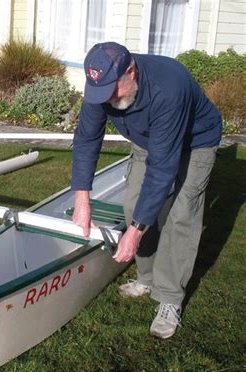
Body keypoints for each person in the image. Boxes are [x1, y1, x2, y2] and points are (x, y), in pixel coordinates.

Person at [71, 42, 222, 339]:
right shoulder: (101, 85)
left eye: (114, 91)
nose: (108, 100)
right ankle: (147, 277)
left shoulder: (169, 87)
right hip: (147, 137)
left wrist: (135, 233)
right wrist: (82, 199)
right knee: (134, 205)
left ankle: (169, 299)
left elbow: (162, 169)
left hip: (197, 141)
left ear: (131, 72)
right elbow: (87, 140)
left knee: (181, 214)